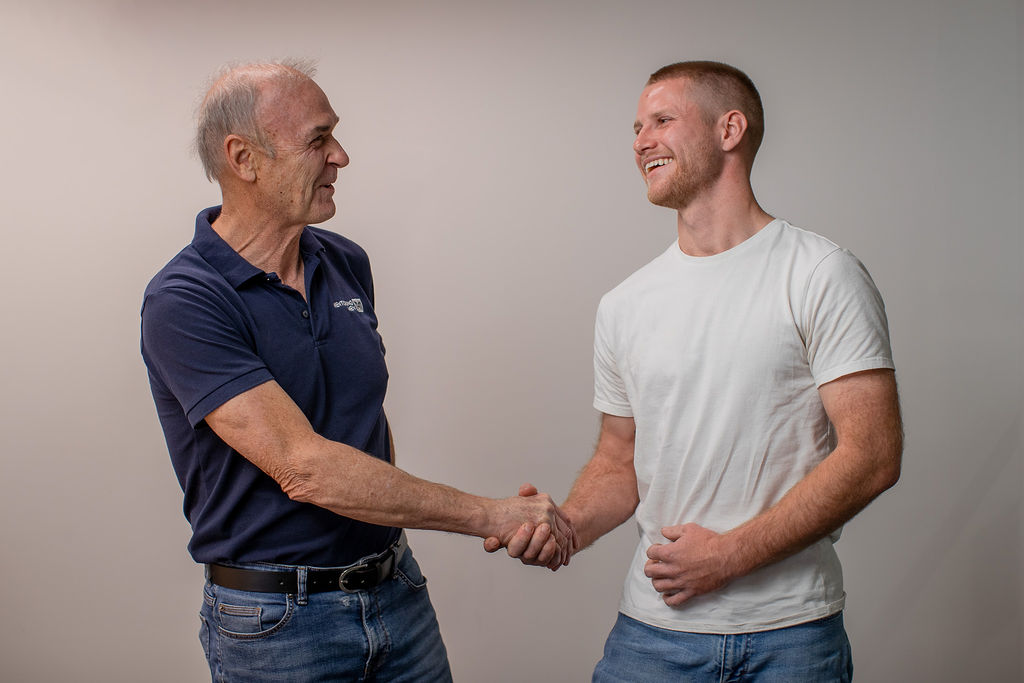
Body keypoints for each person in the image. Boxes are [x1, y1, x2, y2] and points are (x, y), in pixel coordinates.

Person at [140, 59, 575, 682]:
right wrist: (493, 515)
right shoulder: (185, 299)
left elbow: (365, 414)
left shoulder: (344, 261)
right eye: (318, 139)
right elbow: (305, 466)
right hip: (277, 627)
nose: (340, 155)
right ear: (244, 158)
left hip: (395, 591)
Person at [491, 60, 903, 681]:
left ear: (729, 129)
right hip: (654, 635)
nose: (639, 142)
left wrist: (729, 556)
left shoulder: (821, 274)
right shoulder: (625, 303)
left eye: (662, 120)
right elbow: (617, 460)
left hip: (790, 637)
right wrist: (567, 526)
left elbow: (873, 454)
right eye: (636, 128)